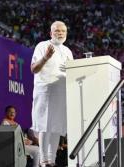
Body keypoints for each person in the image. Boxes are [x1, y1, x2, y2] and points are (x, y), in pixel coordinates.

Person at [30, 21, 73, 167]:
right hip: (45, 91)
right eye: (57, 31)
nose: (60, 33)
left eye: (63, 31)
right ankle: (43, 160)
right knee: (44, 124)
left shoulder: (68, 51)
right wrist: (46, 57)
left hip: (62, 93)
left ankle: (52, 160)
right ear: (51, 33)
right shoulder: (42, 46)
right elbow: (34, 69)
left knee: (56, 126)